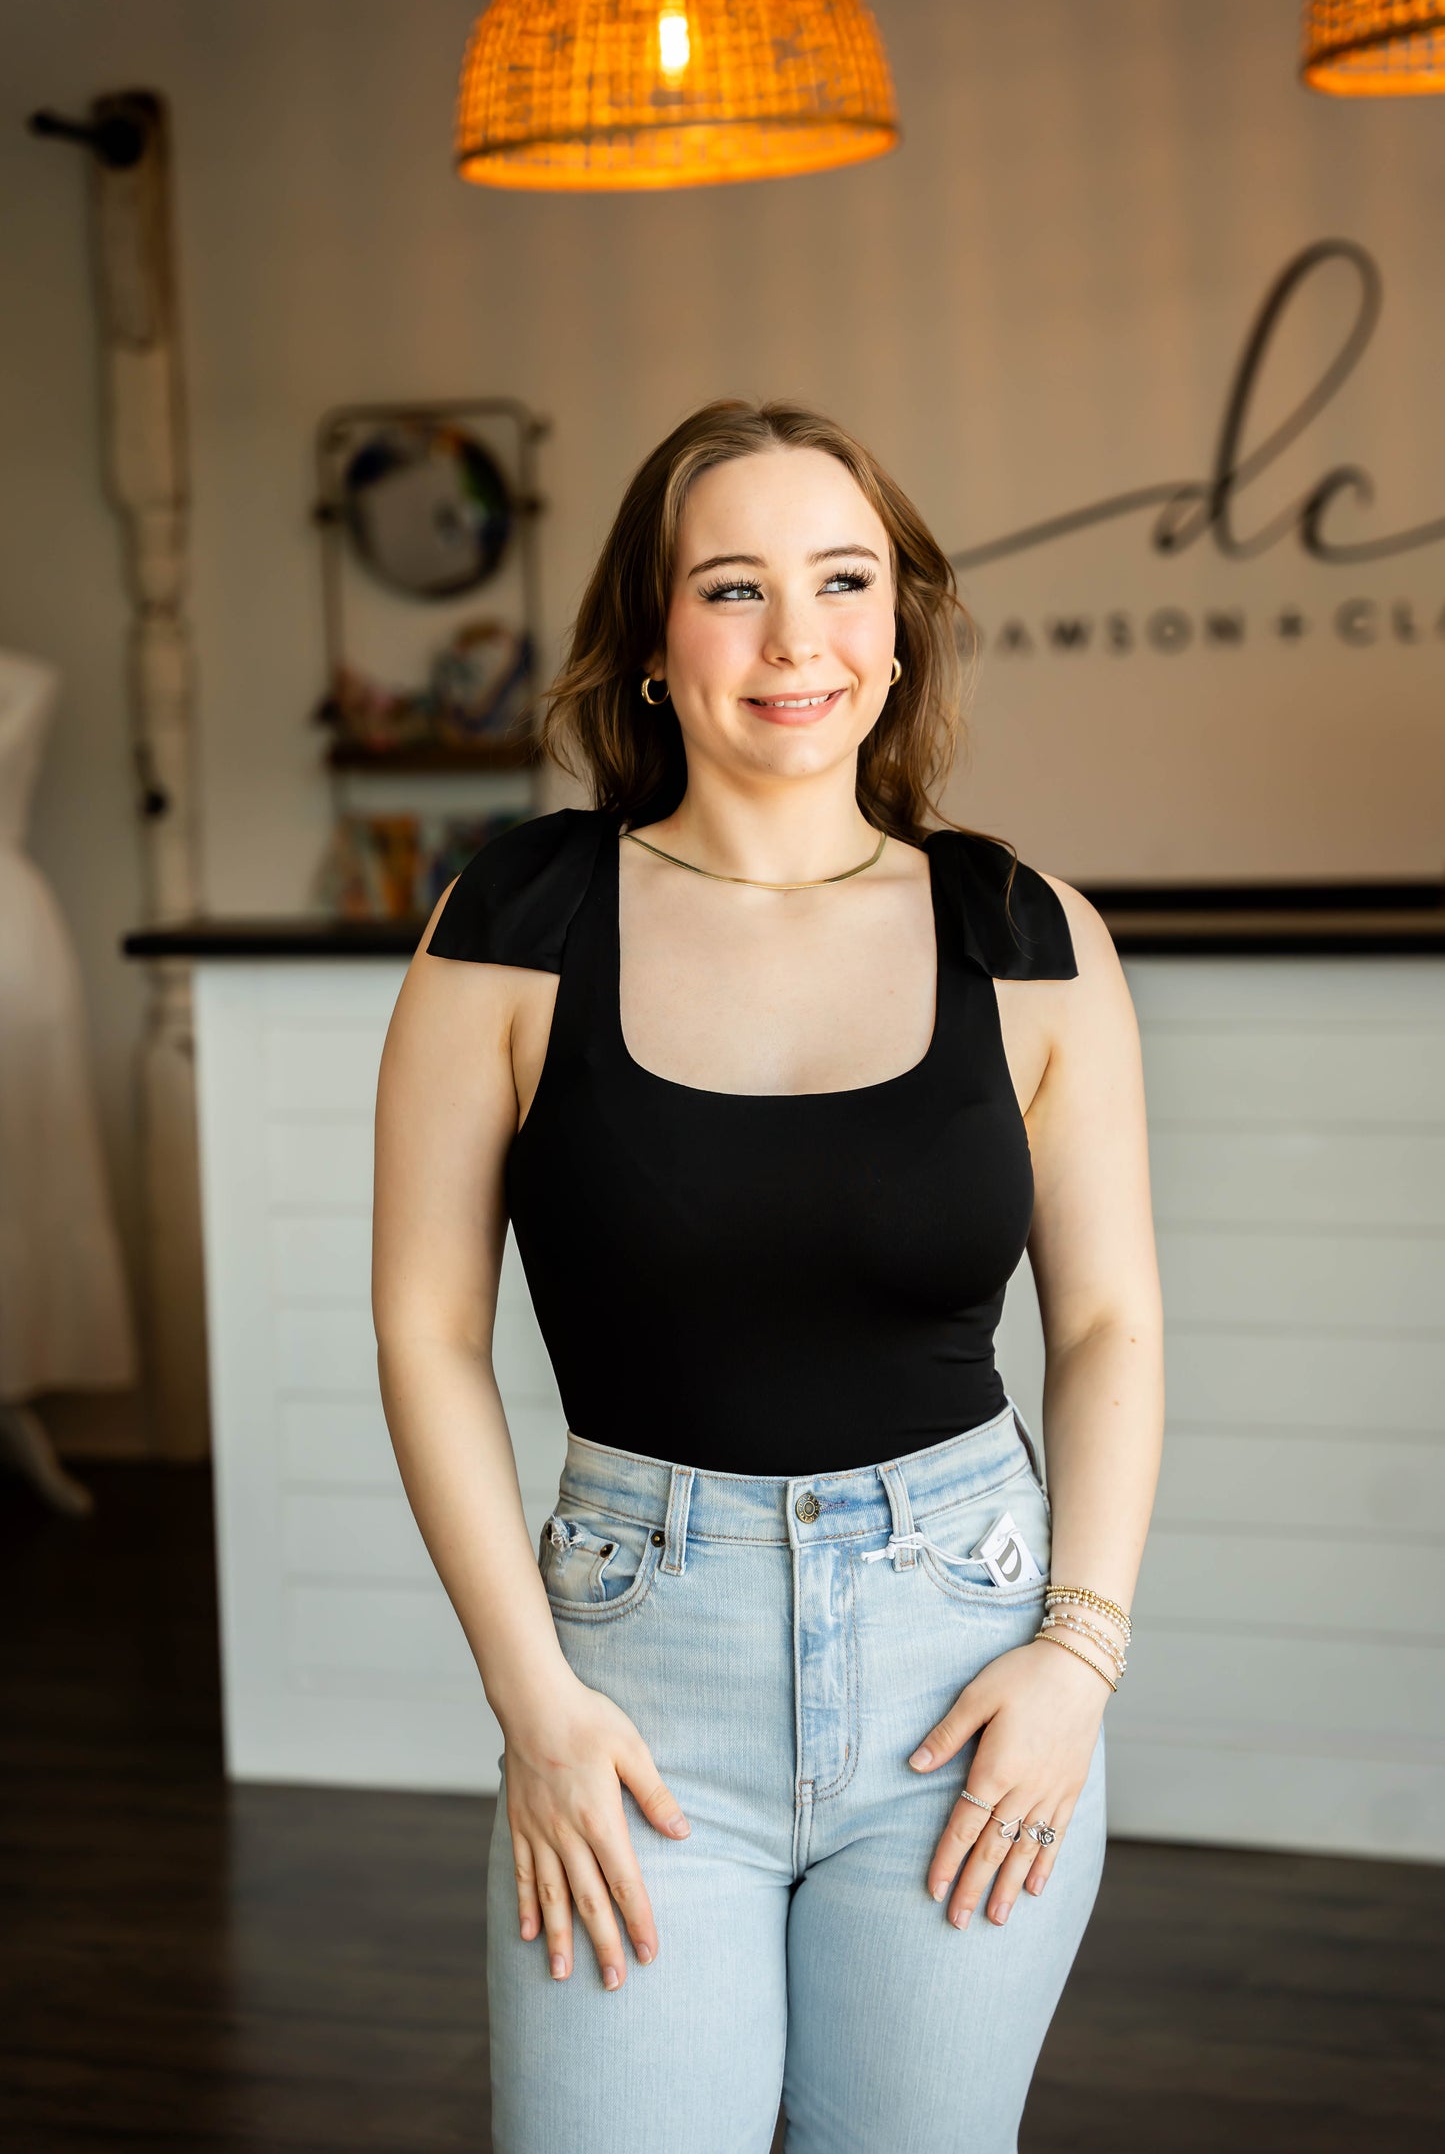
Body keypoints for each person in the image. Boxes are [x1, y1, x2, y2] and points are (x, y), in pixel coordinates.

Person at [372, 399, 1164, 2154]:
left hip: (964, 1662)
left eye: (843, 580)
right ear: (652, 645)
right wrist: (534, 1707)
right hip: (635, 1676)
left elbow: (1107, 1325)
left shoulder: (1026, 934)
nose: (796, 639)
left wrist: (1078, 1660)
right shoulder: (516, 916)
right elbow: (425, 1332)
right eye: (731, 588)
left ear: (900, 621)